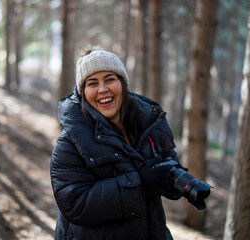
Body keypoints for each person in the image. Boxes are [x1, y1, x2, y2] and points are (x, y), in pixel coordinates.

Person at [50, 46, 186, 240]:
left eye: (110, 79)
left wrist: (176, 180)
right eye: (92, 83)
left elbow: (169, 179)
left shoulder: (148, 126)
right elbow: (76, 204)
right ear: (83, 92)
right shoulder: (69, 144)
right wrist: (141, 184)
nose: (103, 89)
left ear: (123, 83)